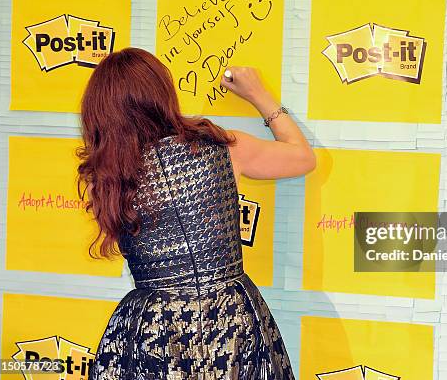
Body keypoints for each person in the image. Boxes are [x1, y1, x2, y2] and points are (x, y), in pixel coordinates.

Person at [78, 47, 315, 379]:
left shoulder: (105, 181)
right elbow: (303, 157)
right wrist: (259, 95)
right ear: (162, 93)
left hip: (152, 329)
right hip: (232, 321)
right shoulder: (222, 148)